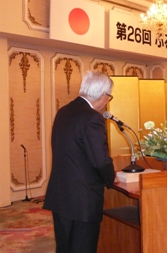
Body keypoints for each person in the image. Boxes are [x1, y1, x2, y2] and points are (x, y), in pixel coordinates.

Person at [43, 70, 117, 253]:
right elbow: (100, 161)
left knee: (64, 247)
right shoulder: (92, 118)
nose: (108, 101)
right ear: (102, 96)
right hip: (83, 199)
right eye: (109, 97)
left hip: (60, 195)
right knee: (83, 247)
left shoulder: (64, 111)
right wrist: (111, 178)